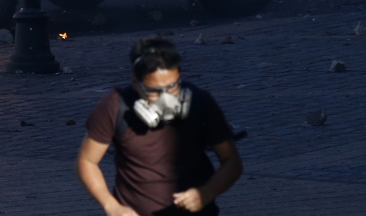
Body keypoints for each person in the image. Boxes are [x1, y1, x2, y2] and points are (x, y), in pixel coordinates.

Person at [77, 36, 242, 216]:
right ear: (136, 83)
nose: (166, 98)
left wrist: (206, 193)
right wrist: (112, 206)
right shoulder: (115, 106)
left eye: (172, 87)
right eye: (154, 91)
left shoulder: (200, 102)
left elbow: (231, 161)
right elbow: (87, 161)